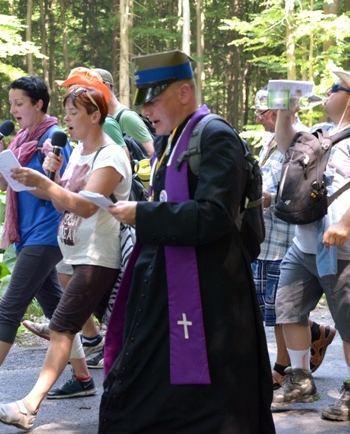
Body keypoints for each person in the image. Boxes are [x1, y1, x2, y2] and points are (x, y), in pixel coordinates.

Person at [101, 50, 275, 433]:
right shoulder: (172, 139)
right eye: (143, 101)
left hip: (212, 298)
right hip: (170, 286)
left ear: (184, 92)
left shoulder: (215, 135)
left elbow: (215, 215)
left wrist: (143, 215)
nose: (146, 110)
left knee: (215, 404)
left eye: (153, 99)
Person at [0, 85, 131, 431]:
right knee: (120, 332)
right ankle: (136, 396)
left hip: (100, 257)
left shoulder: (111, 157)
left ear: (95, 116)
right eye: (65, 113)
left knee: (63, 326)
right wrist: (46, 177)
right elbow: (58, 203)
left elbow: (83, 205)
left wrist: (46, 182)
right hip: (76, 255)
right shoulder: (79, 151)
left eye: (74, 114)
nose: (66, 121)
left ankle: (29, 405)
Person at [272, 67, 350, 421]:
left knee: (349, 323)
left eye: (334, 88)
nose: (327, 91)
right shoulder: (322, 133)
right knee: (288, 310)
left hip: (344, 248)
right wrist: (284, 113)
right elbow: (284, 142)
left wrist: (344, 223)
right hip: (304, 244)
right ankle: (300, 379)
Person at [0, 75, 72, 410]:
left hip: (47, 232)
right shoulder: (20, 141)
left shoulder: (55, 141)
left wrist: (31, 179)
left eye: (20, 103)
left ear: (38, 104)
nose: (13, 110)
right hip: (26, 232)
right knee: (60, 312)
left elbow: (58, 192)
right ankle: (85, 378)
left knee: (9, 309)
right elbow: (7, 188)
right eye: (12, 103)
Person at [252, 88, 336, 390]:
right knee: (268, 307)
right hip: (264, 239)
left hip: (286, 238)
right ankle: (315, 333)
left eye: (261, 112)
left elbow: (297, 193)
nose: (258, 117)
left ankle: (283, 368)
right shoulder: (268, 141)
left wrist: (258, 198)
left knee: (279, 309)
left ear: (276, 112)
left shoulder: (302, 141)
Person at [94, 67, 155, 156]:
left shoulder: (127, 118)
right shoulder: (98, 119)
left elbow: (152, 152)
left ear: (106, 87)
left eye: (91, 89)